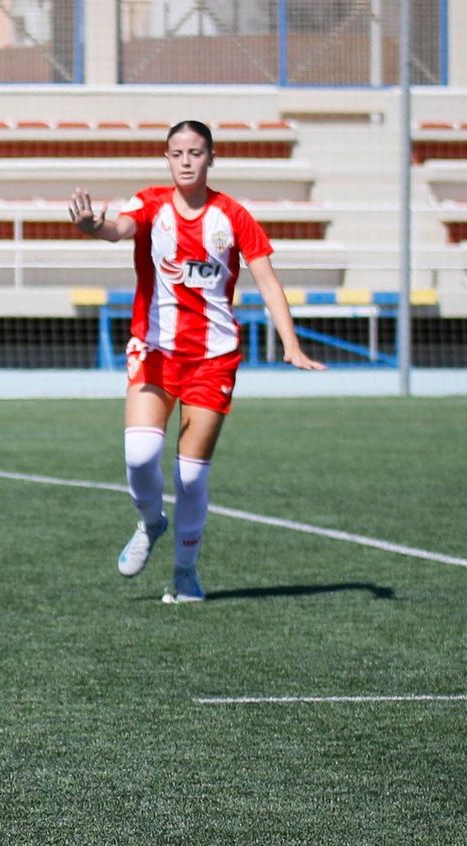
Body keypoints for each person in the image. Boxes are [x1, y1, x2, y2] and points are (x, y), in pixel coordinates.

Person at [68, 120, 325, 604]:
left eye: (196, 152)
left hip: (214, 358)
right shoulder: (149, 203)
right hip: (155, 351)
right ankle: (150, 523)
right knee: (140, 454)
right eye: (177, 152)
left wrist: (290, 344)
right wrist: (92, 227)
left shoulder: (233, 216)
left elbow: (268, 281)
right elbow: (117, 228)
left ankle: (185, 574)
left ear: (211, 158)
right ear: (166, 160)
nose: (186, 160)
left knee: (190, 474)